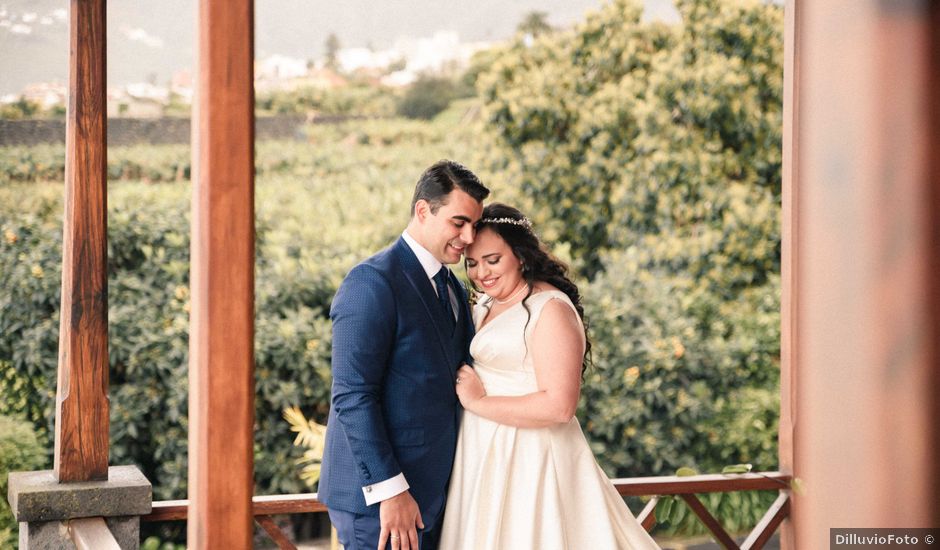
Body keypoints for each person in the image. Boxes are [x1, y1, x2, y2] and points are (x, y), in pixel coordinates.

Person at [440, 203, 659, 549]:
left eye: (492, 260)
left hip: (532, 457)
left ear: (521, 257)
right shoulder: (484, 303)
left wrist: (478, 401)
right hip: (482, 455)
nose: (481, 272)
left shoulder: (550, 308)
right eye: (472, 262)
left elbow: (559, 406)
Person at [318, 160, 489, 550]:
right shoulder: (371, 282)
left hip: (433, 495)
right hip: (380, 504)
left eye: (474, 225)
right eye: (459, 222)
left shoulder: (451, 285)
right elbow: (352, 395)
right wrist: (390, 492)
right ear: (423, 210)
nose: (468, 237)